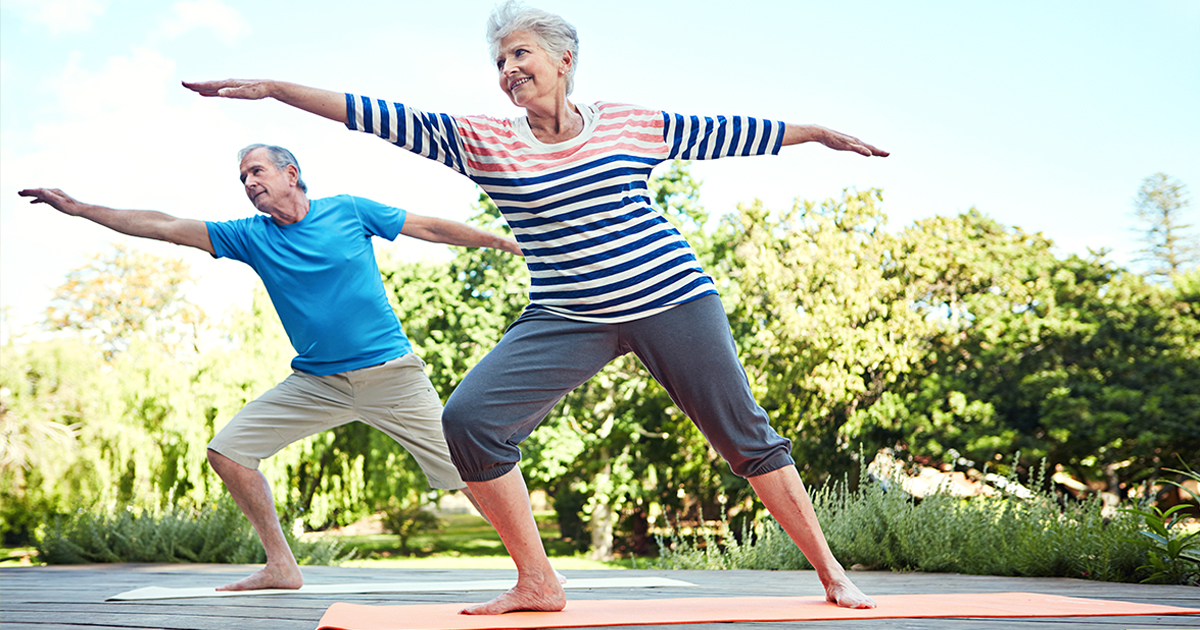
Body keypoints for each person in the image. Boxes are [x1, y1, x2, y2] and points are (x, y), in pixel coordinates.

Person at [184, 0, 888, 614]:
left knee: (744, 436)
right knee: (470, 422)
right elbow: (377, 116)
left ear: (563, 60)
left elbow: (731, 132)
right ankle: (538, 581)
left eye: (520, 52)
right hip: (566, 314)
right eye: (499, 59)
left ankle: (831, 574)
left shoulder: (629, 125)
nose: (508, 68)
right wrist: (276, 89)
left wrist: (817, 132)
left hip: (670, 297)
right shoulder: (485, 142)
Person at [18, 143, 522, 592]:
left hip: (391, 377)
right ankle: (281, 566)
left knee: (470, 469)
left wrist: (500, 241)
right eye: (242, 179)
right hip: (316, 383)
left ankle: (534, 568)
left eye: (256, 172)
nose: (249, 184)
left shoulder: (347, 210)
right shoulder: (249, 236)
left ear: (291, 173)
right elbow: (166, 226)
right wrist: (81, 209)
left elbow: (429, 227)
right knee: (229, 452)